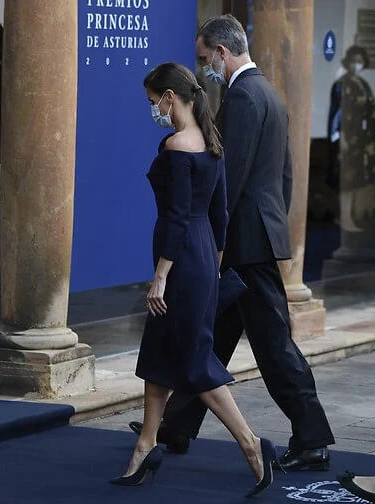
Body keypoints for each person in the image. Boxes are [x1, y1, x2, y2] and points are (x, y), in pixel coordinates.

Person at [129, 14, 335, 472]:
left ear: (222, 52)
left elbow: (228, 177)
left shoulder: (242, 97)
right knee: (210, 338)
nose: (203, 69)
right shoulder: (270, 93)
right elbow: (282, 176)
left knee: (274, 342)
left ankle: (312, 437)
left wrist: (213, 247)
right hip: (255, 237)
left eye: (204, 59)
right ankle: (176, 426)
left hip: (242, 246)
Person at [110, 62, 278, 497]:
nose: (153, 110)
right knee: (160, 353)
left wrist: (161, 276)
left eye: (153, 102)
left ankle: (252, 445)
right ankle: (145, 447)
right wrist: (214, 265)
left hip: (181, 261)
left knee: (195, 362)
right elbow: (218, 215)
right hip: (203, 258)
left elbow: (178, 218)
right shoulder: (212, 142)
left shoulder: (177, 147)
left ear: (170, 97)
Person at [327, 45, 375, 231]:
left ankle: (353, 215)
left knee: (357, 180)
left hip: (363, 140)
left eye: (360, 61)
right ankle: (344, 217)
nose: (357, 64)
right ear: (348, 62)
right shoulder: (340, 85)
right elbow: (337, 114)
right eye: (354, 61)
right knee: (345, 180)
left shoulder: (363, 85)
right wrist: (340, 139)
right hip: (347, 139)